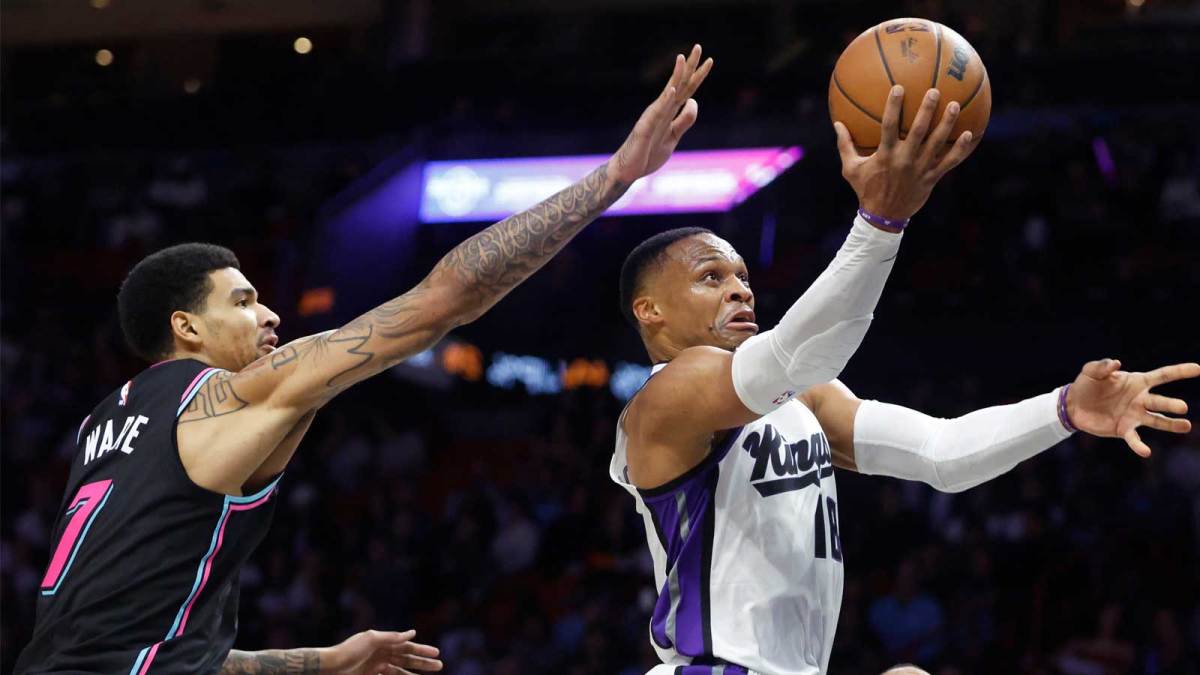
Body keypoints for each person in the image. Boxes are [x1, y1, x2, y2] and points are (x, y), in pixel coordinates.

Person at [15, 46, 715, 675]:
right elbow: (445, 299)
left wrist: (326, 660)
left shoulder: (101, 429)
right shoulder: (229, 395)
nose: (270, 314)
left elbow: (151, 649)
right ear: (186, 326)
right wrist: (618, 175)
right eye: (244, 301)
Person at [610, 85, 1199, 674]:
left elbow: (941, 455)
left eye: (740, 274)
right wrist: (880, 222)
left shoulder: (802, 399)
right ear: (650, 311)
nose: (740, 288)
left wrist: (1064, 408)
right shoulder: (665, 398)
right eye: (710, 277)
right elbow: (793, 357)